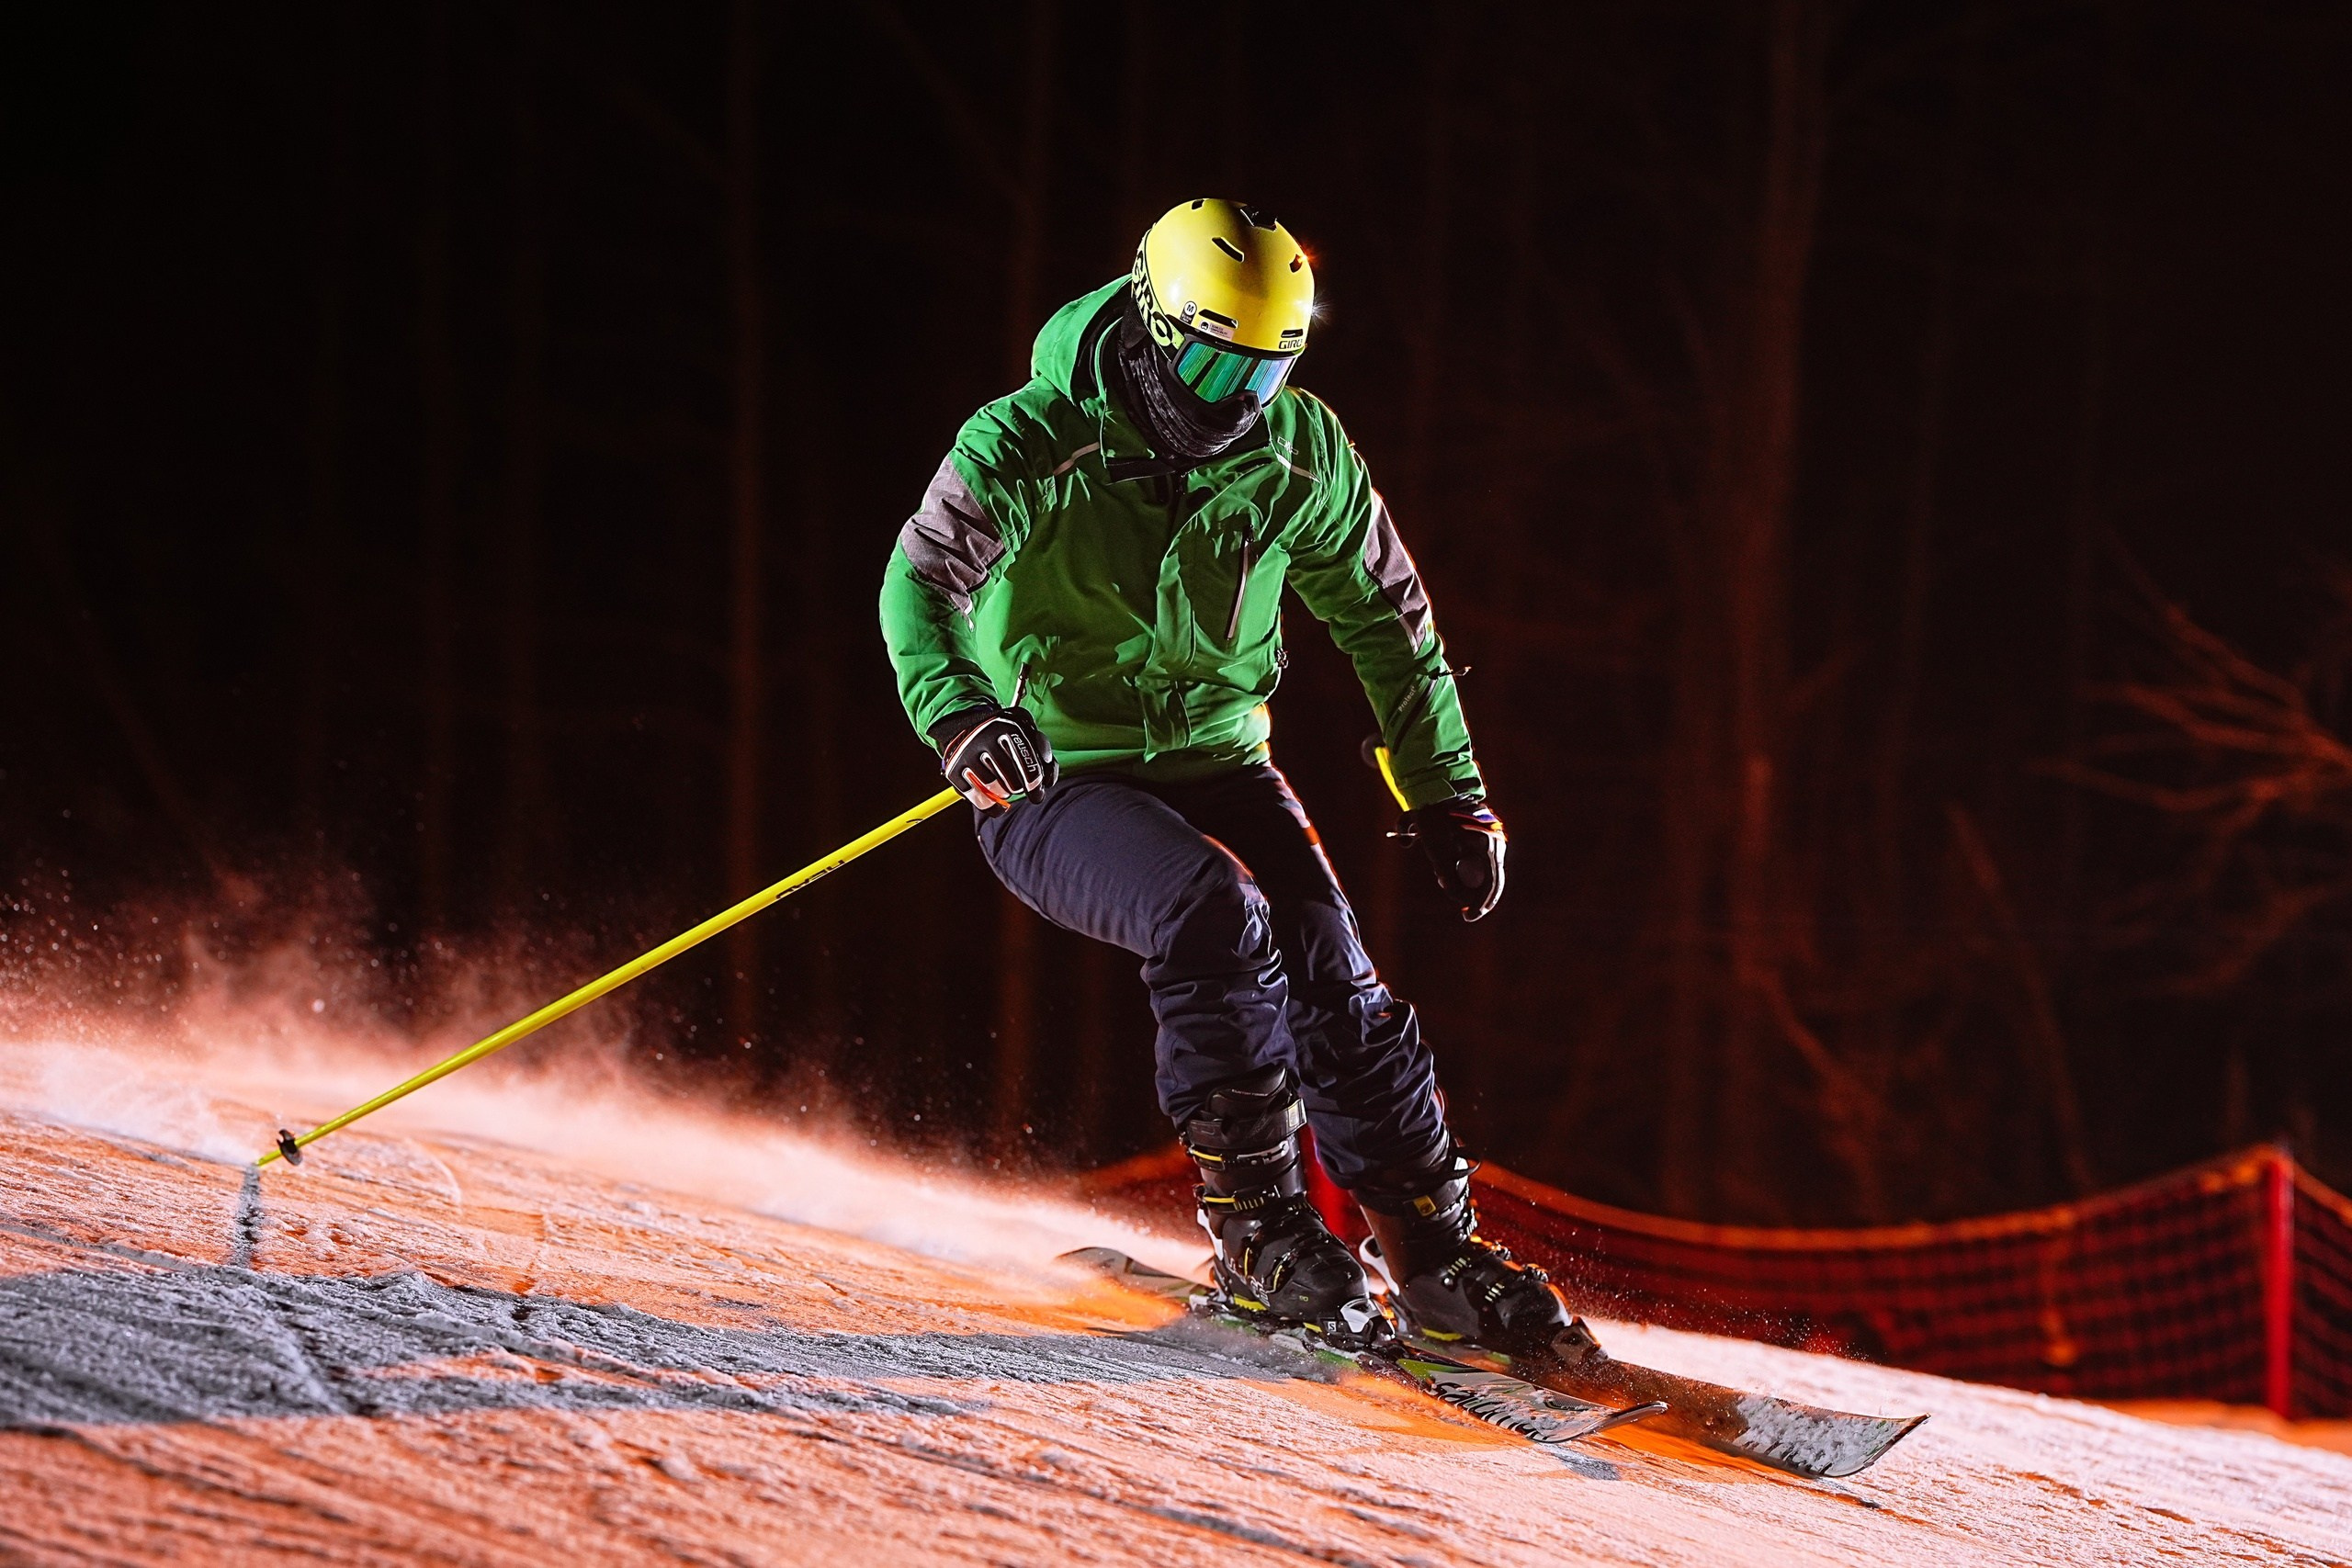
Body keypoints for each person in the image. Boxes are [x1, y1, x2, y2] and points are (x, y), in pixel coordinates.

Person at [879, 198, 1568, 1353]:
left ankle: (1433, 1252)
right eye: (1204, 364)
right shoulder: (1033, 437)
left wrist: (1448, 791)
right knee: (1210, 909)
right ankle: (1258, 1225)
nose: (1226, 403)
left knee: (1327, 962)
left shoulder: (1298, 450)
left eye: (1259, 375)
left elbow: (1388, 621)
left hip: (1218, 757)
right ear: (1153, 326)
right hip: (1051, 782)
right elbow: (923, 582)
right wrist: (964, 719)